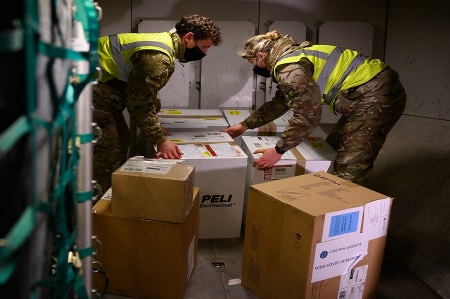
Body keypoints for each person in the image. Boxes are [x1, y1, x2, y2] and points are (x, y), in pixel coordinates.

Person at [222, 30, 406, 184]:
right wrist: (245, 125)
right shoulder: (295, 54)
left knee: (350, 166)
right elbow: (281, 102)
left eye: (252, 62)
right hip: (369, 91)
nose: (255, 67)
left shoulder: (288, 67)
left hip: (376, 95)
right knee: (333, 146)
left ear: (261, 56)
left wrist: (278, 150)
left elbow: (307, 114)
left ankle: (343, 216)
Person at [92, 14, 222, 193]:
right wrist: (160, 140)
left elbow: (146, 95)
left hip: (99, 81)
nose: (204, 53)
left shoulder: (164, 41)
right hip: (87, 86)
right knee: (113, 146)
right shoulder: (159, 58)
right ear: (189, 37)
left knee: (121, 137)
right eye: (204, 47)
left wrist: (157, 128)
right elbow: (139, 104)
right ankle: (97, 200)